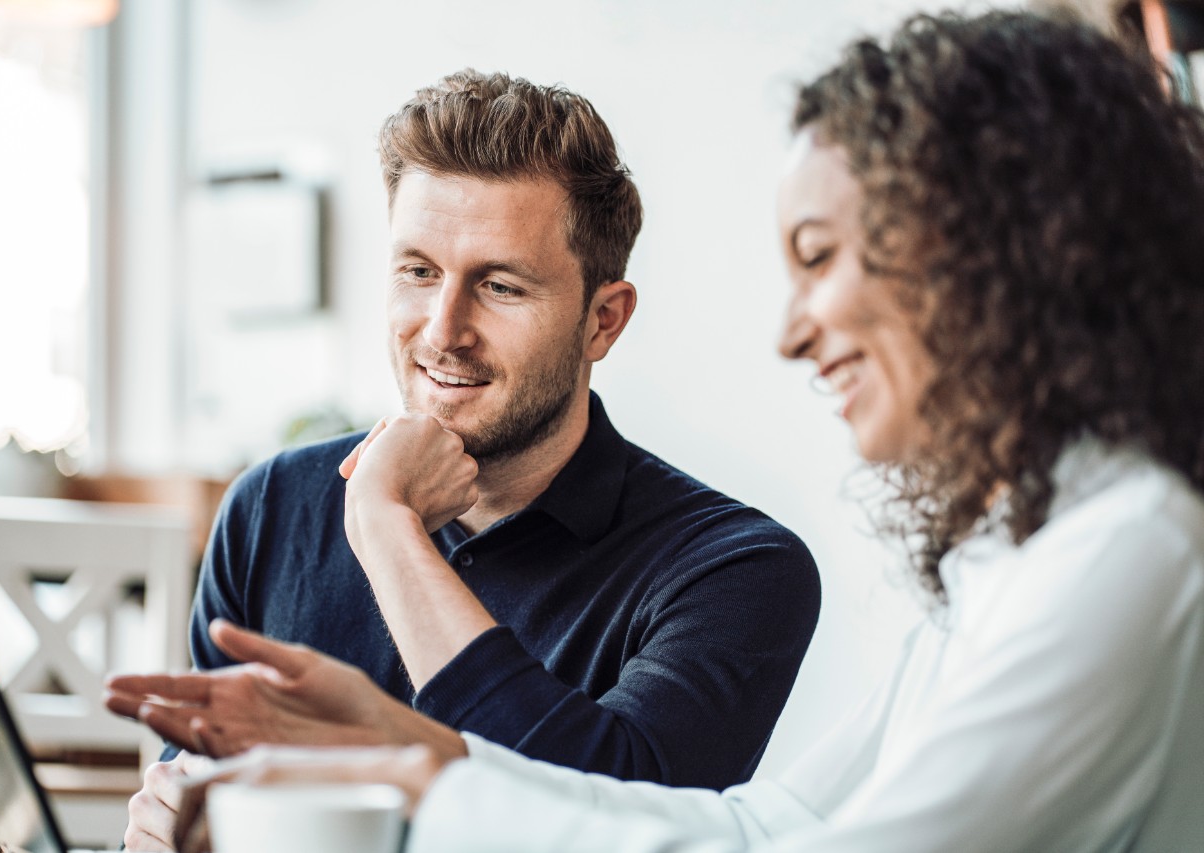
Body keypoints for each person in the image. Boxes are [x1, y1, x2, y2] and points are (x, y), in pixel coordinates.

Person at [158, 9, 1204, 851]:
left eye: (822, 255)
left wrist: (422, 779)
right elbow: (770, 827)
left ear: (989, 259)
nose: (790, 335)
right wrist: (418, 761)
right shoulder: (1011, 544)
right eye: (416, 271)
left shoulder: (1125, 545)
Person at [107, 70, 821, 850]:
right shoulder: (272, 505)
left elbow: (617, 818)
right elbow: (198, 786)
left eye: (501, 285)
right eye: (418, 271)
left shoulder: (736, 569)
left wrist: (388, 531)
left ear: (603, 321)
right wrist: (170, 821)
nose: (444, 330)